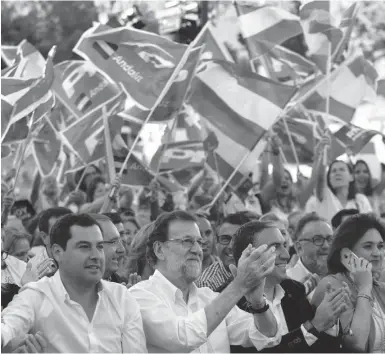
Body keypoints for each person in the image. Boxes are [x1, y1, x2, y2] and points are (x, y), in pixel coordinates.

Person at [129, 210, 283, 353]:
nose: (197, 250)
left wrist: (258, 304)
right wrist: (240, 284)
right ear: (159, 250)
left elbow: (267, 336)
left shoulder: (209, 297)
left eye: (200, 242)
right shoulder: (138, 296)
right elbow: (184, 338)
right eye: (187, 241)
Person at [1, 213, 147, 353]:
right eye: (84, 247)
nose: (96, 255)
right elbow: (6, 330)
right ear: (57, 252)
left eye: (100, 246)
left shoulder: (121, 297)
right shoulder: (36, 296)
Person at [230, 220, 349, 353]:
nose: (286, 255)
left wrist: (330, 322)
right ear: (248, 255)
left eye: (284, 245)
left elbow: (322, 348)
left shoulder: (293, 289)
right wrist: (314, 327)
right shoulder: (230, 300)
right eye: (275, 247)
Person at [312, 213, 385, 353]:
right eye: (368, 246)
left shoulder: (380, 288)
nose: (377, 253)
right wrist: (364, 288)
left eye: (380, 246)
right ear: (347, 254)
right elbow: (356, 343)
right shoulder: (332, 285)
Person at [196, 211, 259, 292]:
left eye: (238, 240)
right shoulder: (207, 284)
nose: (231, 246)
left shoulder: (262, 271)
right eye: (225, 239)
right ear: (216, 242)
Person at [309, 154, 372, 223]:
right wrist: (322, 155)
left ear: (351, 177)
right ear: (329, 179)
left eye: (342, 169)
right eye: (333, 171)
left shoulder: (360, 200)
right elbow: (320, 178)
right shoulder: (325, 197)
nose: (337, 173)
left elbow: (369, 223)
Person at [287, 213, 333, 300]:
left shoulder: (345, 278)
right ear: (299, 248)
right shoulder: (287, 283)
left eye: (330, 239)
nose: (326, 246)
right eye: (317, 239)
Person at [28, 207, 73, 274]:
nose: (67, 237)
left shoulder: (85, 262)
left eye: (71, 231)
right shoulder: (32, 270)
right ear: (44, 237)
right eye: (59, 232)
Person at [89, 214, 127, 284]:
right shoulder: (68, 290)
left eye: (121, 241)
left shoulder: (123, 287)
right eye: (113, 242)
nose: (122, 250)